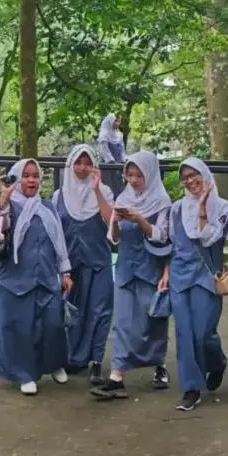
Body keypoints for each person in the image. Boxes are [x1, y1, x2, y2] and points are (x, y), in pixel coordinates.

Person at [90, 151, 173, 400]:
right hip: (126, 267)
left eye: (139, 175)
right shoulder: (124, 197)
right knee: (123, 321)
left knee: (153, 320)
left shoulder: (162, 201)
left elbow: (164, 236)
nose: (134, 180)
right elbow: (114, 238)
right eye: (130, 174)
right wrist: (116, 220)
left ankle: (159, 364)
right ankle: (117, 377)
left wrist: (140, 220)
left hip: (150, 267)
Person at [0, 158, 74, 395]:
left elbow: (59, 242)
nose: (31, 180)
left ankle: (54, 364)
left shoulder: (47, 208)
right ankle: (24, 374)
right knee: (20, 329)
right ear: (17, 178)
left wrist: (64, 272)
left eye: (35, 176)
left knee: (53, 325)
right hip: (15, 279)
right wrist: (3, 200)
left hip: (46, 278)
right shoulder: (8, 207)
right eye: (26, 175)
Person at [157, 157, 228, 410]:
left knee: (204, 333)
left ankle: (217, 361)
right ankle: (191, 388)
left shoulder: (221, 206)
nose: (190, 181)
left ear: (205, 175)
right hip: (179, 275)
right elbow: (167, 240)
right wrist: (166, 270)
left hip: (206, 275)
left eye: (194, 175)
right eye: (185, 177)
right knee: (184, 333)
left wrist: (201, 208)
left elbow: (209, 238)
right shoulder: (176, 208)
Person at [52, 145, 115, 383]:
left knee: (99, 312)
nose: (82, 168)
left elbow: (112, 222)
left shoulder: (105, 192)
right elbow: (54, 233)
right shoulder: (59, 196)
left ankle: (96, 361)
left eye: (88, 163)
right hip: (70, 268)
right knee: (71, 313)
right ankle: (71, 358)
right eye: (78, 162)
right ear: (70, 164)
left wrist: (97, 190)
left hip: (98, 262)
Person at [97, 114, 127, 197]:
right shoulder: (104, 135)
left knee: (118, 185)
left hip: (118, 166)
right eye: (115, 121)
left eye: (118, 121)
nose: (117, 123)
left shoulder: (119, 135)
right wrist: (111, 161)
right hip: (107, 166)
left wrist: (124, 159)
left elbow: (122, 150)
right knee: (108, 185)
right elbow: (104, 151)